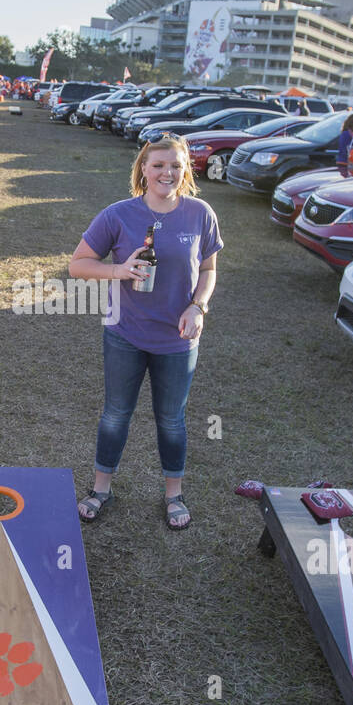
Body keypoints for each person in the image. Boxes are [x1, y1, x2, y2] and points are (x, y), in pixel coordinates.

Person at [68, 133, 222, 532]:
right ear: (143, 169)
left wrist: (198, 306)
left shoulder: (200, 213)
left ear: (186, 169)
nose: (167, 172)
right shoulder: (118, 214)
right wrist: (118, 270)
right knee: (116, 414)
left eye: (175, 165)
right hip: (125, 334)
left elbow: (208, 270)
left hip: (178, 339)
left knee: (171, 419)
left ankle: (174, 495)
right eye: (158, 165)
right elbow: (78, 264)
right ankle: (101, 489)